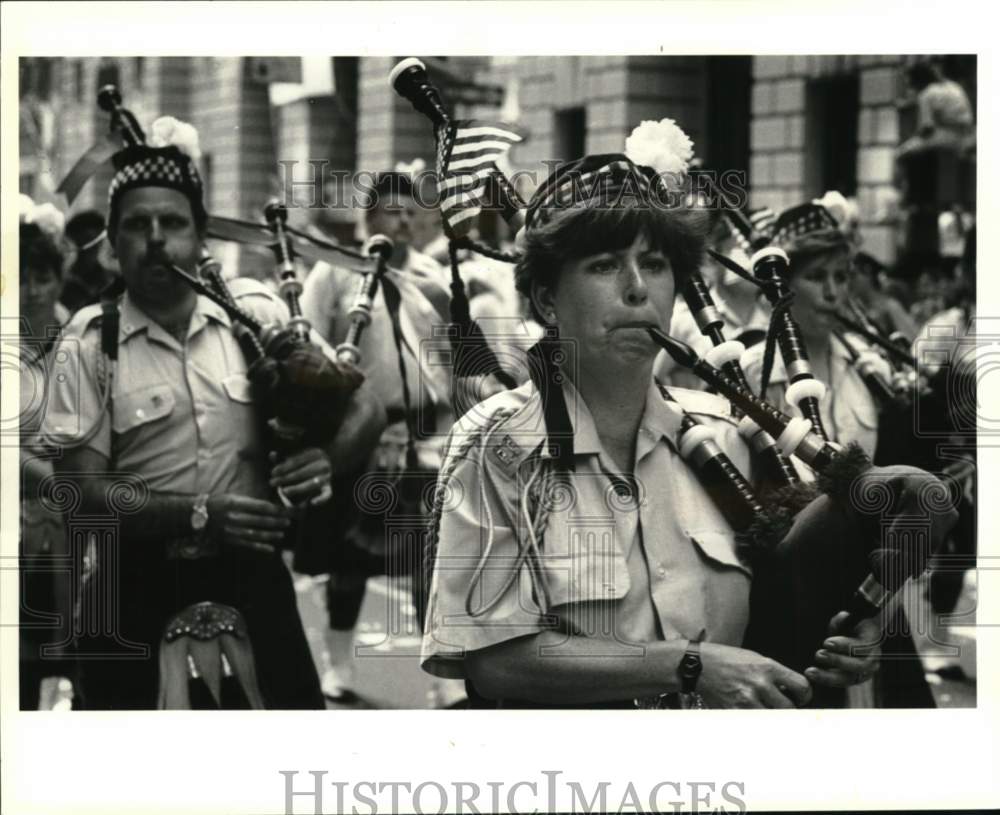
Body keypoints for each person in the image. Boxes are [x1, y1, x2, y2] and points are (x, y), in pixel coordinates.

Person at [420, 152, 885, 709]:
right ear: (546, 299)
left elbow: (792, 589)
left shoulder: (731, 436)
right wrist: (688, 666)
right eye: (604, 265)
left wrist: (852, 628)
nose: (638, 289)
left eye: (656, 263)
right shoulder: (498, 445)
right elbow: (493, 660)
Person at [41, 119, 385, 710]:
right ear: (113, 247)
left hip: (255, 584)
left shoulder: (256, 313)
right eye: (136, 225)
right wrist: (201, 515)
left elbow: (365, 406)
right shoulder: (88, 341)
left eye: (172, 222)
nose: (155, 239)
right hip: (133, 592)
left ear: (200, 237)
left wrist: (323, 462)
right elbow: (83, 492)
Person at [742, 201, 937, 708]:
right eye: (816, 278)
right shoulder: (749, 373)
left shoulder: (869, 371)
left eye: (841, 276)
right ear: (782, 290)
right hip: (788, 590)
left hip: (878, 592)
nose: (832, 292)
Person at [301, 171, 466, 707]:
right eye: (390, 211)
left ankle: (444, 679)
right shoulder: (335, 273)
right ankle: (338, 665)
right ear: (368, 220)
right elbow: (307, 340)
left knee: (432, 558)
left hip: (423, 435)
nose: (402, 220)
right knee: (350, 561)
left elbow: (453, 356)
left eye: (409, 211)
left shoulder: (431, 279)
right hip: (360, 431)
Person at [18, 208, 75, 709]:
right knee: (18, 666)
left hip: (73, 525)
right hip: (17, 521)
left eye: (43, 277)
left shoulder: (82, 338)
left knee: (78, 655)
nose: (34, 290)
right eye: (21, 278)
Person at [60, 210, 118, 314]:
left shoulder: (115, 281)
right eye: (82, 243)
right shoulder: (61, 286)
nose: (87, 252)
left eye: (95, 245)